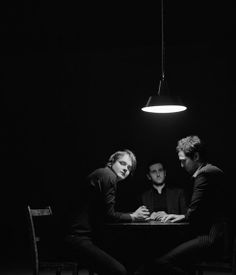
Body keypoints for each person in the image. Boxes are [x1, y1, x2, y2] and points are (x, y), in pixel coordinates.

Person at [139, 135, 229, 275]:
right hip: (218, 234)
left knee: (160, 262)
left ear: (196, 156)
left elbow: (193, 213)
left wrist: (181, 216)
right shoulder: (212, 170)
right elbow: (199, 211)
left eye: (183, 161)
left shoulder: (204, 175)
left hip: (212, 237)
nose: (181, 165)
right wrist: (181, 215)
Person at [64, 149, 150, 275]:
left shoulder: (104, 174)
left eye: (129, 167)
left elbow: (103, 214)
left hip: (84, 237)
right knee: (119, 270)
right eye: (122, 163)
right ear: (112, 162)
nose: (126, 168)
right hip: (77, 239)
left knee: (130, 258)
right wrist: (133, 216)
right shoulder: (108, 176)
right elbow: (109, 216)